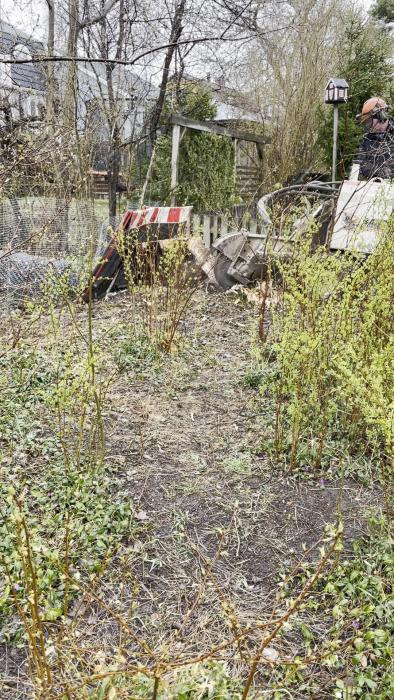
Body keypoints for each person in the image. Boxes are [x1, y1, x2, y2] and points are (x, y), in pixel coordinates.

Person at [353, 97, 394, 179]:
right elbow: (361, 165)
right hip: (375, 187)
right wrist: (381, 171)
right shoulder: (366, 140)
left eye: (369, 121)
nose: (368, 126)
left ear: (381, 117)